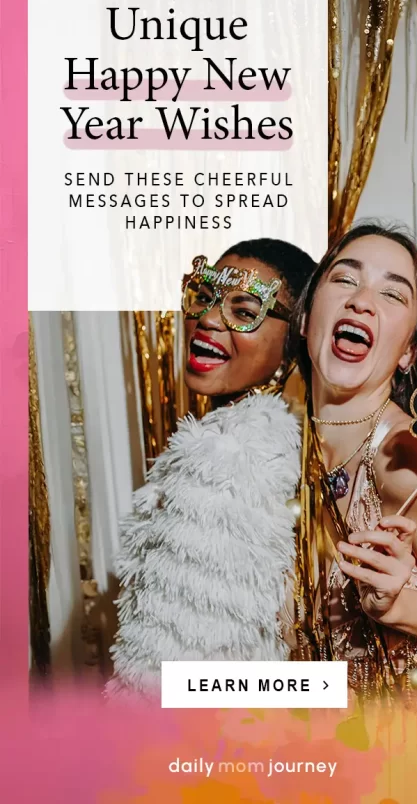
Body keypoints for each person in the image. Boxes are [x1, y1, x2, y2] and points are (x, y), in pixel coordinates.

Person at [286, 221, 417, 709]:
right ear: (305, 320)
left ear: (407, 351)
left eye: (392, 294)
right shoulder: (282, 447)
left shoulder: (408, 455)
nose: (362, 300)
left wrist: (398, 605)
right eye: (345, 279)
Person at [107, 238, 316, 696]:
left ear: (294, 341)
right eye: (205, 299)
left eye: (244, 312)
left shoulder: (224, 457)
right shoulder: (274, 441)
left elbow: (167, 664)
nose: (207, 320)